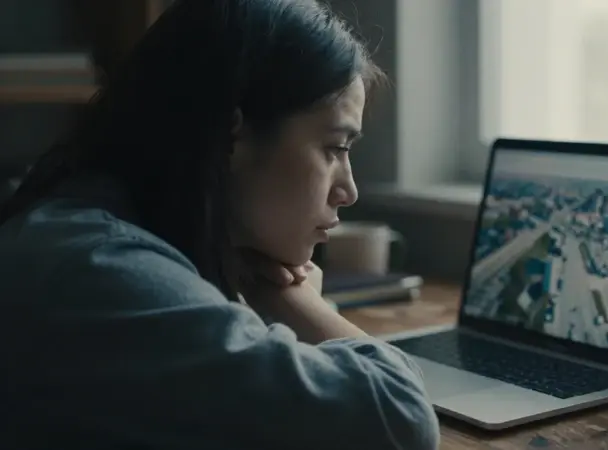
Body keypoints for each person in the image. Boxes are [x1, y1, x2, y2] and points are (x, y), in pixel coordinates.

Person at [0, 1, 440, 449]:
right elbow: (398, 418)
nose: (348, 190)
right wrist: (298, 303)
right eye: (334, 148)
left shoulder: (85, 232)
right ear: (232, 136)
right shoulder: (99, 271)